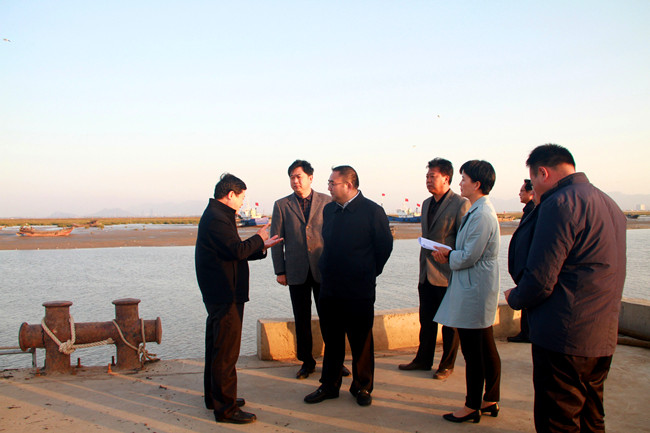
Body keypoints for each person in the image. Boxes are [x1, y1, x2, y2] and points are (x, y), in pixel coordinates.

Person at [505, 144, 626, 433]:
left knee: (558, 420)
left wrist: (516, 298)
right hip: (601, 334)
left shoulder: (560, 204)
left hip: (564, 335)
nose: (533, 188)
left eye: (532, 181)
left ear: (543, 173)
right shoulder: (609, 203)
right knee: (592, 417)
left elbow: (541, 278)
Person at [195, 173, 283, 425]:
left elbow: (232, 252)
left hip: (220, 291)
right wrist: (259, 239)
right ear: (231, 194)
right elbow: (236, 250)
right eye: (242, 197)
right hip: (225, 292)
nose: (243, 202)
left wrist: (261, 247)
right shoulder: (217, 217)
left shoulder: (218, 215)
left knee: (217, 347)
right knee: (226, 351)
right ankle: (225, 408)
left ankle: (215, 397)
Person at [304, 165, 393, 407]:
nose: (329, 187)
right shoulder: (330, 210)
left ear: (349, 185)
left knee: (361, 341)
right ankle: (329, 385)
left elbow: (384, 247)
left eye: (332, 183)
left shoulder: (372, 211)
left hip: (359, 288)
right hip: (330, 287)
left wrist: (368, 271)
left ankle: (362, 386)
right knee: (332, 339)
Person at [432, 160, 501, 424]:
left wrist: (448, 255)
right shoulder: (477, 210)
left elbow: (470, 255)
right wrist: (452, 253)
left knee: (474, 351)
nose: (460, 183)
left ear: (477, 184)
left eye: (464, 179)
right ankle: (490, 398)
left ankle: (472, 405)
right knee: (485, 345)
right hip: (475, 285)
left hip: (475, 288)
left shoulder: (482, 214)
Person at [271, 160, 350, 379]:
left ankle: (336, 362)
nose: (295, 181)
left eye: (299, 176)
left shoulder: (327, 201)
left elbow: (338, 236)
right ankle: (307, 362)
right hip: (296, 270)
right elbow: (276, 241)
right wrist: (280, 271)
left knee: (330, 319)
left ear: (310, 178)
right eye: (292, 177)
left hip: (324, 269)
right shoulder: (282, 205)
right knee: (301, 319)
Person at [398, 158, 469, 380]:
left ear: (446, 178)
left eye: (433, 176)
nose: (428, 180)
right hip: (426, 272)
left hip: (448, 274)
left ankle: (446, 365)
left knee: (450, 324)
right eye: (427, 176)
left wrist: (449, 254)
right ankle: (423, 360)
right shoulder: (427, 203)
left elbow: (464, 241)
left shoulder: (460, 204)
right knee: (426, 320)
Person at [507, 179, 535, 343]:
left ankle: (527, 332)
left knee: (527, 300)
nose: (519, 194)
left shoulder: (532, 211)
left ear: (531, 193)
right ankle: (525, 332)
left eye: (522, 191)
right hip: (523, 266)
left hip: (526, 266)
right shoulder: (529, 211)